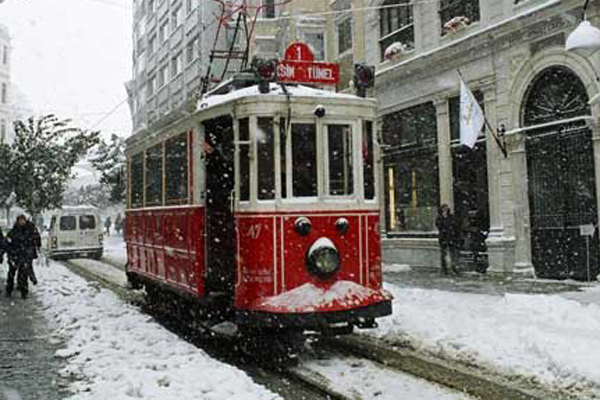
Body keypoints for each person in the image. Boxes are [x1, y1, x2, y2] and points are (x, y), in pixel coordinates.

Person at [5, 215, 41, 299]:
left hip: (24, 256)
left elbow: (35, 240)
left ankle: (24, 292)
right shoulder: (14, 231)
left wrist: (33, 249)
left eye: (23, 220)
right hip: (14, 256)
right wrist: (10, 253)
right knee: (11, 274)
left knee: (23, 275)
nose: (22, 222)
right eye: (20, 220)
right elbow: (7, 242)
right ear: (17, 221)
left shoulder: (29, 230)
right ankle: (9, 290)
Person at [435, 204, 461, 275]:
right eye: (444, 209)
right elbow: (439, 226)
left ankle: (454, 267)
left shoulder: (451, 217)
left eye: (446, 209)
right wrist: (444, 219)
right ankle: (445, 268)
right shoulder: (439, 218)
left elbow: (455, 225)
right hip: (443, 238)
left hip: (451, 237)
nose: (445, 211)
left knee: (453, 253)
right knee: (444, 254)